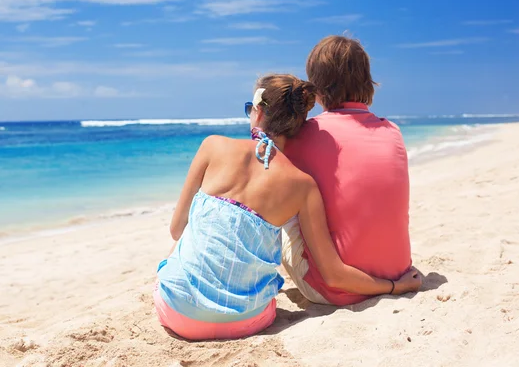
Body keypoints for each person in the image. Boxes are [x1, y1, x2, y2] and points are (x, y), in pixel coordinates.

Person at [154, 74, 421, 341]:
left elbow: (177, 230)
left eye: (250, 108)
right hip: (249, 320)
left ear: (258, 110)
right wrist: (395, 286)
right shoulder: (303, 185)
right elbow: (334, 274)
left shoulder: (213, 146)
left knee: (188, 236)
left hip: (179, 313)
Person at [281, 35, 413, 306]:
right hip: (398, 271)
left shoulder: (305, 134)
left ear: (315, 85)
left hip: (337, 289)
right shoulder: (393, 131)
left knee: (280, 196)